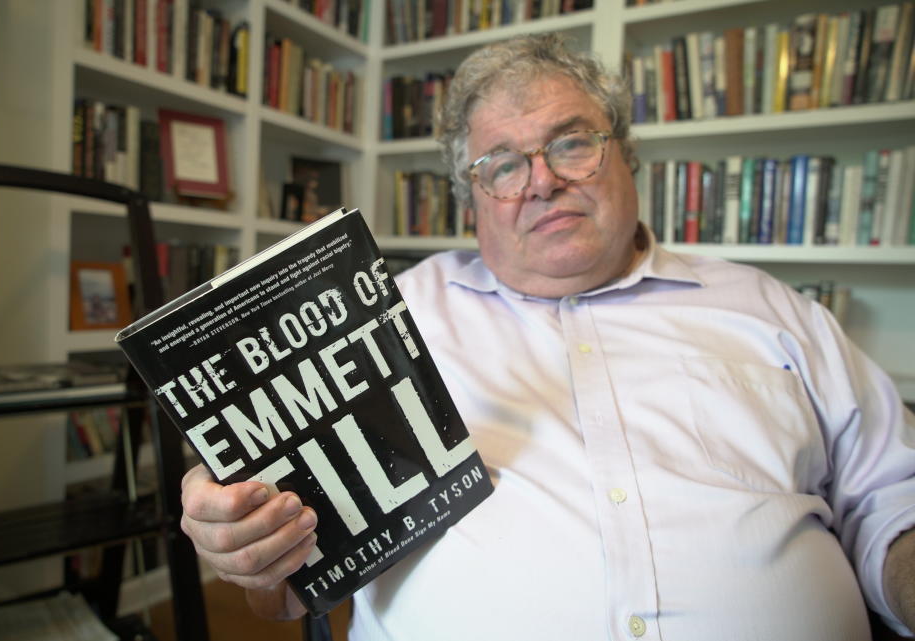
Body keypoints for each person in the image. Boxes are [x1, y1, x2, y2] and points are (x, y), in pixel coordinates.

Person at [180, 34, 915, 640]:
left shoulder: (774, 310)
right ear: (473, 202)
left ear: (626, 154)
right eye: (501, 164)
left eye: (570, 144)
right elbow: (287, 587)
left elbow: (894, 501)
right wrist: (246, 536)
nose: (540, 182)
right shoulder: (386, 317)